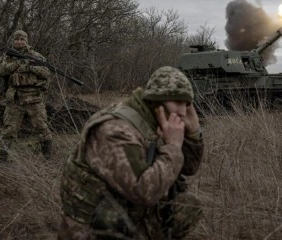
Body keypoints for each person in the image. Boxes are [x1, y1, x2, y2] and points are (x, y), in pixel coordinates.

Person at [58, 66, 204, 240]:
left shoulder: (156, 120)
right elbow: (143, 192)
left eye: (186, 104)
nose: (182, 111)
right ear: (156, 101)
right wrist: (172, 146)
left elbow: (189, 167)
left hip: (125, 212)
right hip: (91, 227)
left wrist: (193, 133)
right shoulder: (116, 130)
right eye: (177, 102)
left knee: (186, 206)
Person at [0, 30, 53, 162]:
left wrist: (30, 67)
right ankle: (2, 160)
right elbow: (1, 71)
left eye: (22, 39)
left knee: (42, 127)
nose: (19, 41)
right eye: (17, 39)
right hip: (15, 98)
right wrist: (18, 63)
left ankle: (47, 158)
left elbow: (47, 73)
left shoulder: (36, 56)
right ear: (13, 41)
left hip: (34, 97)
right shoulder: (7, 56)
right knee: (9, 130)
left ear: (27, 41)